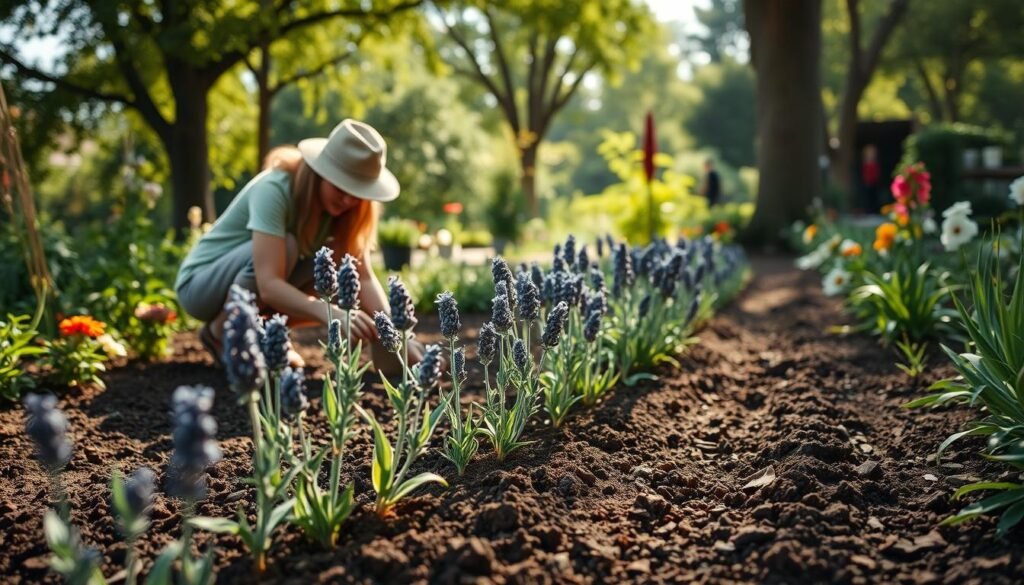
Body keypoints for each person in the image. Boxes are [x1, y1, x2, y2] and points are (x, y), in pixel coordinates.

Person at [174, 119, 423, 369]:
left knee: (342, 270)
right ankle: (222, 333)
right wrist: (329, 313)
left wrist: (400, 336)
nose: (347, 199)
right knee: (290, 246)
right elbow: (269, 285)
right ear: (322, 173)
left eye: (356, 192)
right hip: (200, 287)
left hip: (249, 285)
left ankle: (267, 333)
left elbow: (364, 277)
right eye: (340, 186)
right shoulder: (275, 188)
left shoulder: (344, 213)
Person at [860, 144, 881, 214]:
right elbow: (864, 173)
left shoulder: (875, 162)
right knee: (867, 198)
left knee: (874, 197)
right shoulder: (865, 162)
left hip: (874, 182)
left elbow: (877, 173)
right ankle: (868, 211)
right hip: (867, 182)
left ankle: (874, 210)